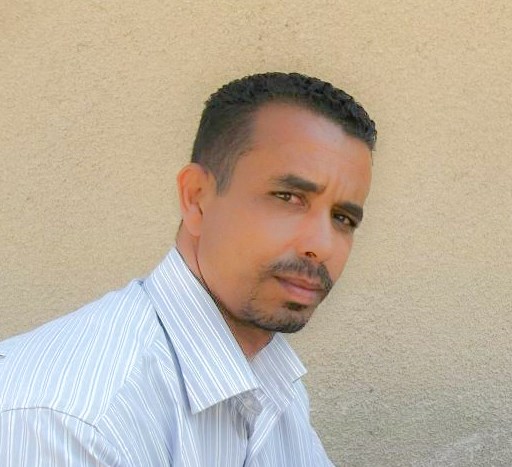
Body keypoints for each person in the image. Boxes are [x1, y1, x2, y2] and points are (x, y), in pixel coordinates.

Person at [0, 72, 376, 466]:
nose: (321, 245)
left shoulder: (273, 380)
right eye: (288, 197)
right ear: (196, 199)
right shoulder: (74, 420)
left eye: (343, 218)